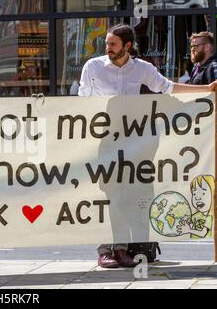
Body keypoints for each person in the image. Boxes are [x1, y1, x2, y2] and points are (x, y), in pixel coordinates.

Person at [78, 24, 217, 269]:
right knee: (108, 196)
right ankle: (104, 251)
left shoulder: (142, 69)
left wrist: (205, 89)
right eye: (107, 44)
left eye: (113, 44)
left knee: (125, 195)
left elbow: (169, 87)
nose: (107, 48)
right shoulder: (93, 67)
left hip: (131, 142)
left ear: (127, 46)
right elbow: (81, 100)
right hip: (103, 141)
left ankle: (121, 250)